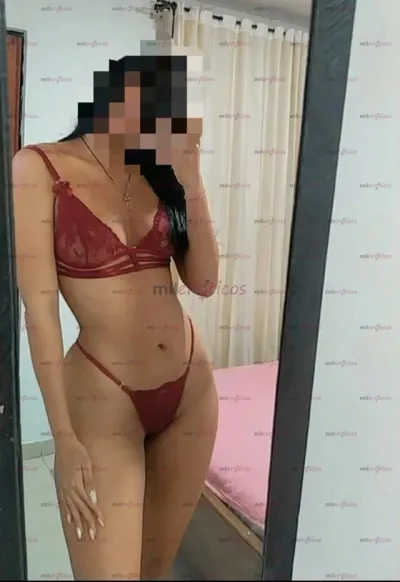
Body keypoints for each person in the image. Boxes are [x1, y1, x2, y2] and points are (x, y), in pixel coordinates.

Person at [12, 56, 219, 580]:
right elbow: (40, 312)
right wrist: (63, 439)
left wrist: (191, 175)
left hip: (191, 390)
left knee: (156, 568)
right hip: (103, 399)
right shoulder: (37, 167)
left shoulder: (161, 174)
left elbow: (204, 282)